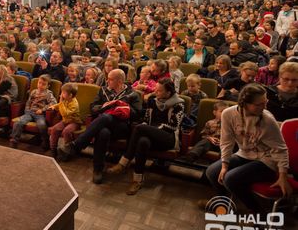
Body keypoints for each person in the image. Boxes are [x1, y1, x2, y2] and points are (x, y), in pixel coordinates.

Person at [205, 84, 291, 214]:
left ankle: (258, 212)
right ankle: (224, 205)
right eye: (259, 104)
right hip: (244, 154)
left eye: (265, 102)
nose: (264, 107)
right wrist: (224, 165)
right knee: (212, 172)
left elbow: (281, 149)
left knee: (231, 179)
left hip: (267, 160)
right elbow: (226, 141)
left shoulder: (267, 119)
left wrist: (283, 175)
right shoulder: (228, 114)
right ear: (244, 103)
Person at [58, 69, 141, 184]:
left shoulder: (132, 94)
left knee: (106, 118)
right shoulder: (103, 91)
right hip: (102, 125)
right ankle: (98, 169)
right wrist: (104, 106)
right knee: (103, 132)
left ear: (120, 81)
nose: (107, 81)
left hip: (121, 127)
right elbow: (92, 107)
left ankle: (76, 145)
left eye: (111, 79)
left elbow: (137, 114)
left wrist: (121, 107)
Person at [107, 78, 185, 195]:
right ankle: (137, 180)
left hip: (168, 137)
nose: (155, 92)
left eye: (159, 91)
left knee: (140, 128)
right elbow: (146, 119)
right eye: (156, 89)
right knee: (143, 141)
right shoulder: (153, 101)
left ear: (168, 93)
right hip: (150, 134)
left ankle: (124, 162)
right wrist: (147, 127)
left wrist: (150, 129)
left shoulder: (178, 104)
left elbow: (173, 126)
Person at [9, 74, 57, 149]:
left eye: (43, 84)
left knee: (42, 125)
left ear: (48, 86)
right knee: (18, 122)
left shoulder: (48, 93)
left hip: (40, 114)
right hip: (30, 112)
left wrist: (42, 110)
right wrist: (27, 110)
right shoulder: (34, 91)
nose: (40, 85)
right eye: (39, 83)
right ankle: (14, 140)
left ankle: (45, 141)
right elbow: (28, 102)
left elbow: (54, 103)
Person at [47, 83, 82, 158]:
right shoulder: (65, 100)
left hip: (74, 122)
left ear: (70, 95)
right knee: (54, 129)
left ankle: (67, 151)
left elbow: (65, 113)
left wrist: (61, 102)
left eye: (63, 93)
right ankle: (53, 149)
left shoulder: (74, 104)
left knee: (66, 131)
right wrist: (53, 107)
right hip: (65, 121)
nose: (61, 94)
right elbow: (59, 106)